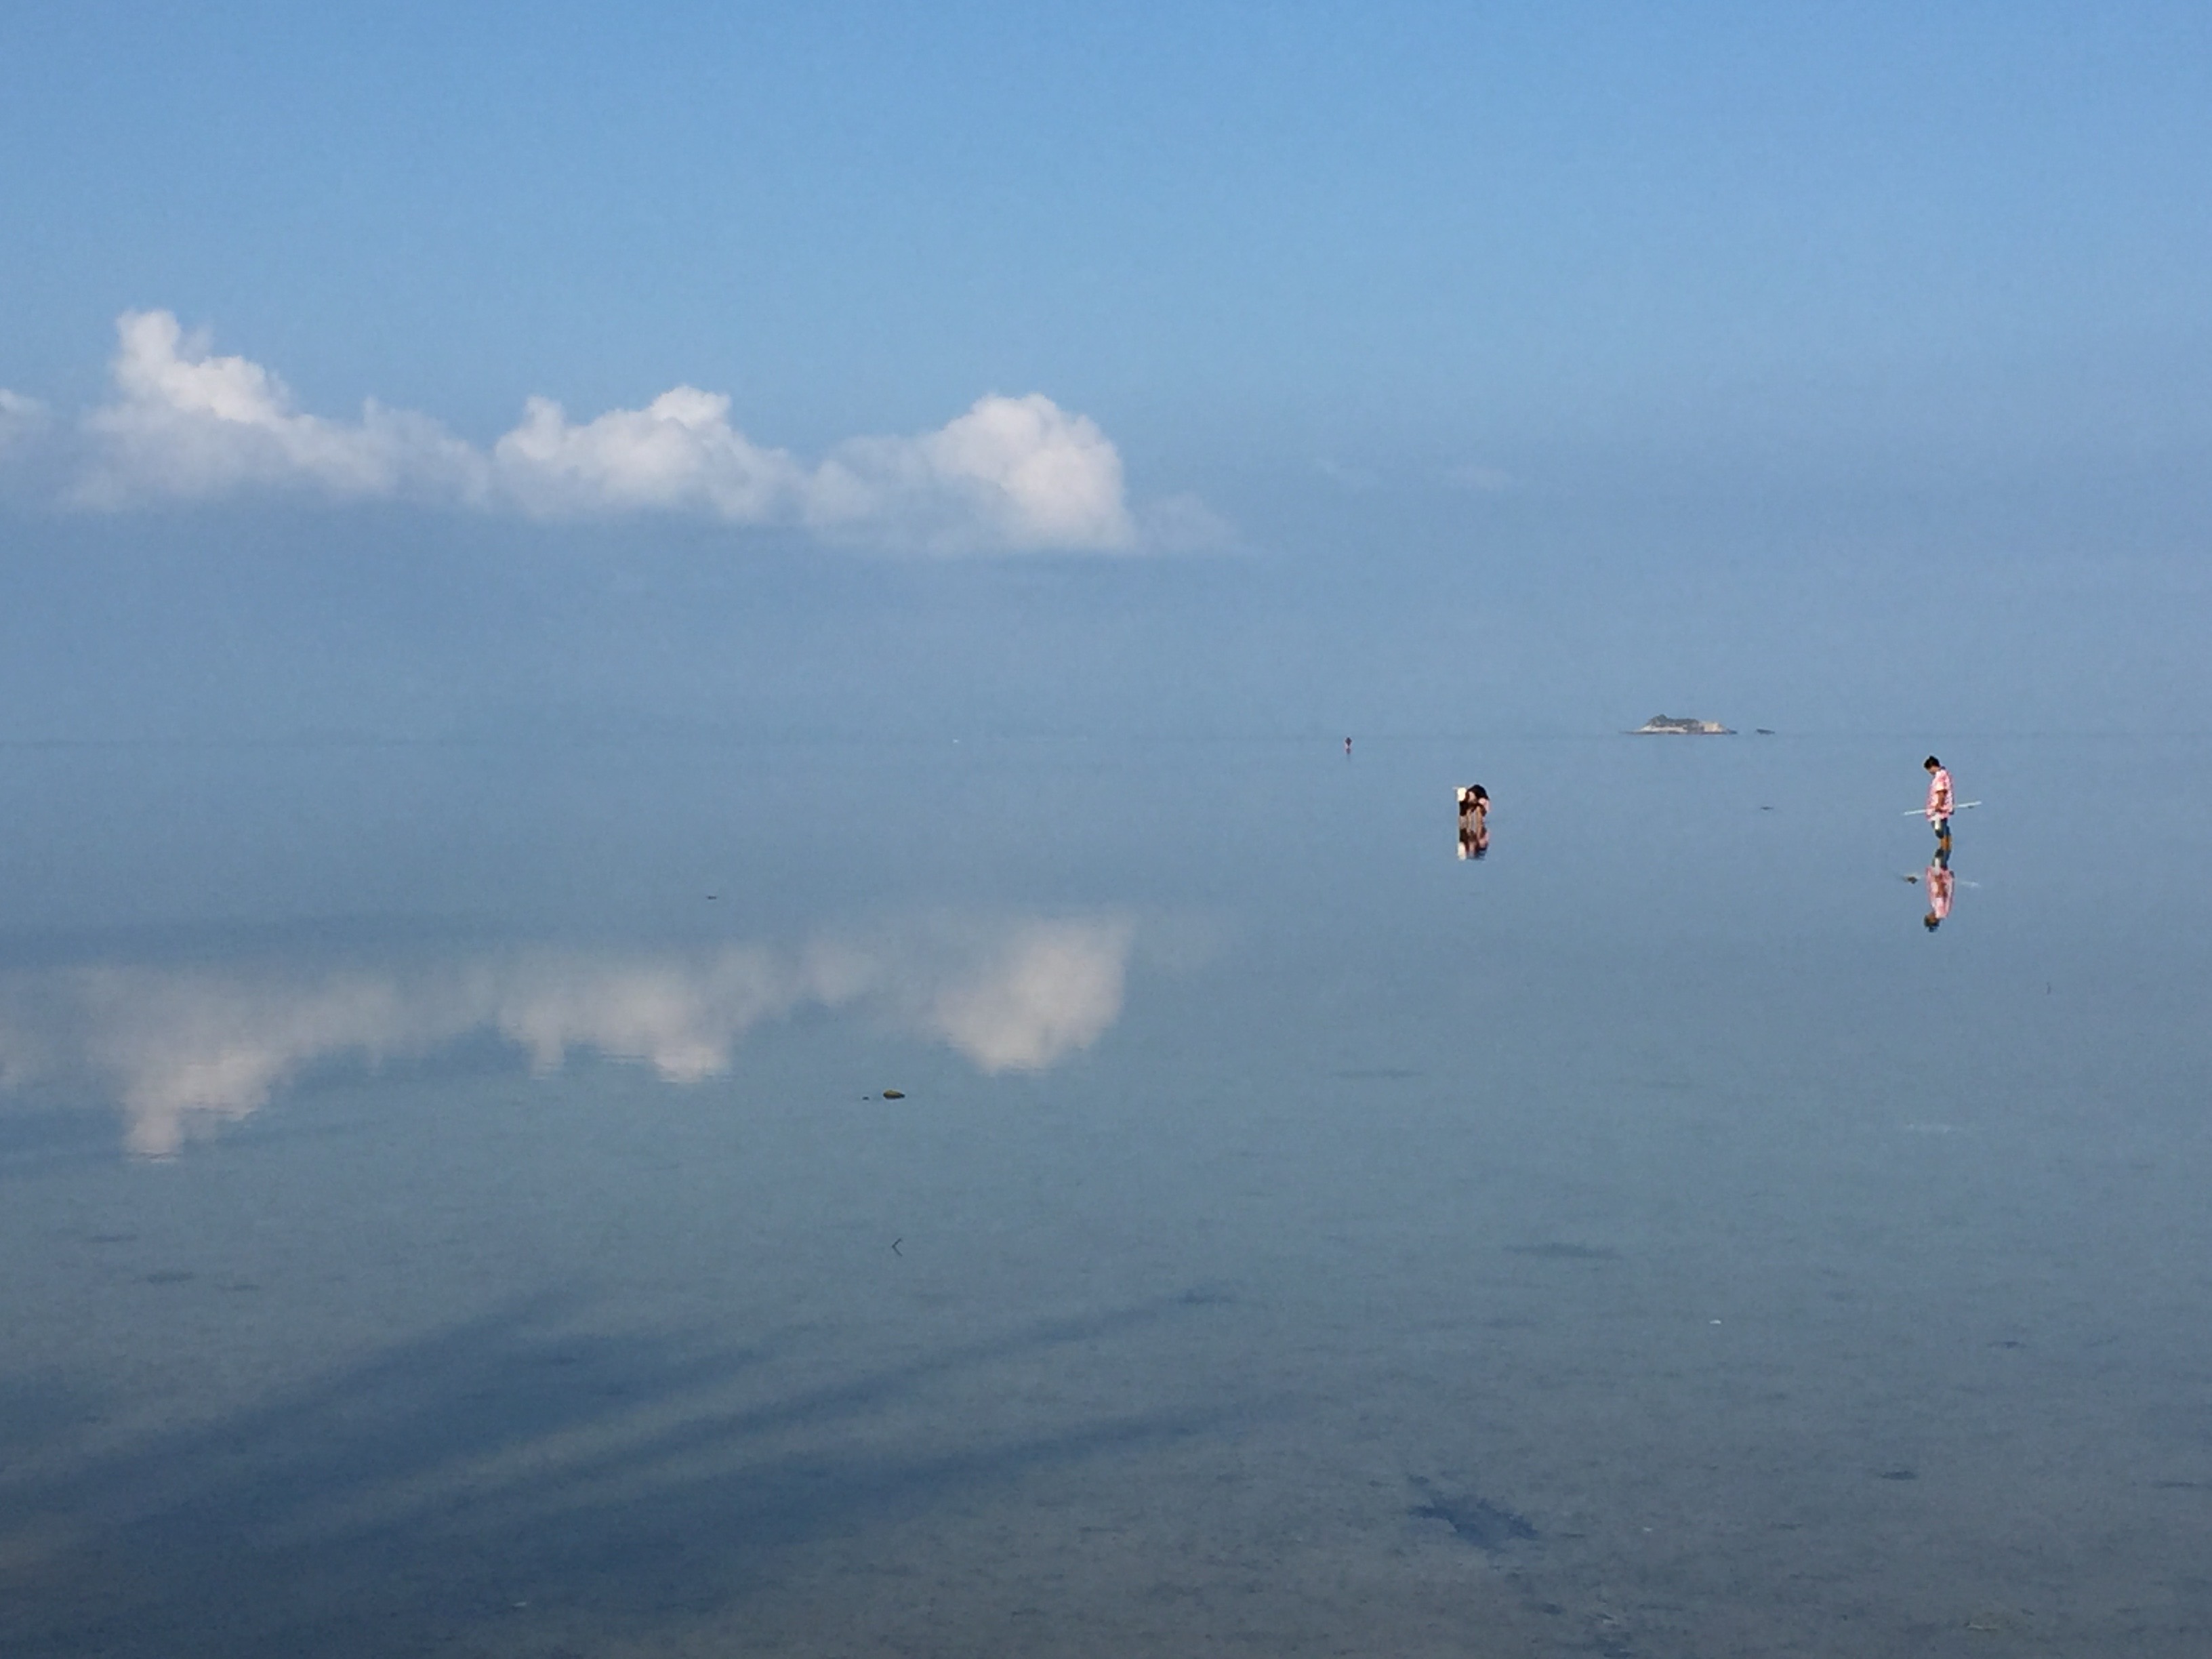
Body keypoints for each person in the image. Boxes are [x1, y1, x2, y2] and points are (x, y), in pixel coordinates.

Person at [1923, 755, 1954, 858]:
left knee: (1939, 829)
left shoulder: (1940, 777)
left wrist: (1939, 805)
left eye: (1929, 770)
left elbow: (1941, 792)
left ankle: (1944, 848)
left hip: (1938, 809)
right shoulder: (1944, 774)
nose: (1929, 772)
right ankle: (1946, 847)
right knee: (1943, 827)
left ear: (1932, 767)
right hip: (1944, 808)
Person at [1457, 785, 1489, 859]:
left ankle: (1479, 828)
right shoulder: (1463, 802)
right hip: (1473, 801)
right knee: (1467, 814)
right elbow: (1462, 815)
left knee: (1479, 813)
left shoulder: (1475, 794)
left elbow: (1482, 804)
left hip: (1482, 800)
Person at [1923, 860, 1954, 930]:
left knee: (1940, 858)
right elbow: (1940, 894)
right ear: (1932, 920)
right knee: (1938, 858)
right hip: (1940, 876)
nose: (1928, 915)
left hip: (1942, 878)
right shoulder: (1939, 912)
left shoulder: (1941, 913)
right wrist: (1938, 879)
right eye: (1928, 917)